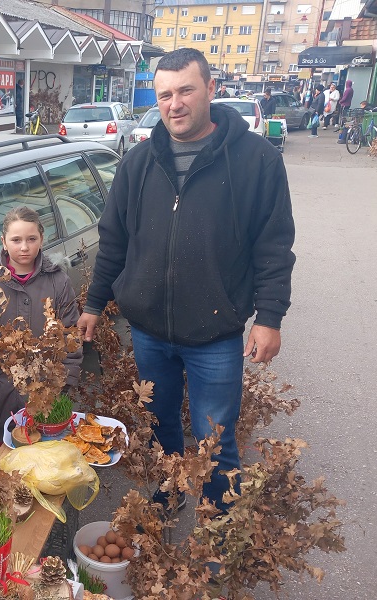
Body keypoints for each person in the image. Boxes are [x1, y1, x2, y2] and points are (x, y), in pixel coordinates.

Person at [76, 48, 295, 513]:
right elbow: (113, 240)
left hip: (214, 335)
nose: (174, 104)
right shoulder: (137, 163)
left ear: (211, 90)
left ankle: (217, 534)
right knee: (160, 425)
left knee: (215, 440)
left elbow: (273, 245)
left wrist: (269, 317)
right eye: (164, 95)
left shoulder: (256, 161)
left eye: (186, 91)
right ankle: (171, 488)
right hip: (149, 330)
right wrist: (95, 303)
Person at [0, 207, 82, 451]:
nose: (24, 247)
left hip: (44, 398)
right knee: (0, 468)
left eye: (31, 239)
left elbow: (70, 337)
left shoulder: (57, 281)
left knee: (42, 469)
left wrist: (61, 387)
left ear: (42, 240)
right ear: (3, 242)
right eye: (16, 240)